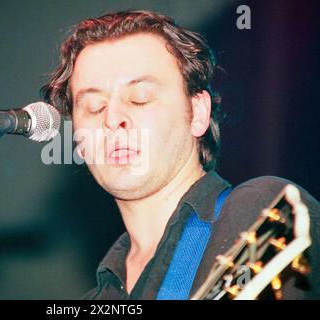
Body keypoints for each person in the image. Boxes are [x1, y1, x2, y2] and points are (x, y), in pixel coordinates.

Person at [41, 10, 319, 299]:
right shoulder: (100, 298)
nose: (112, 119)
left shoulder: (259, 211)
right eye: (95, 107)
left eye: (140, 99)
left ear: (198, 112)